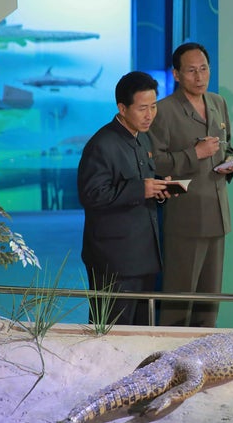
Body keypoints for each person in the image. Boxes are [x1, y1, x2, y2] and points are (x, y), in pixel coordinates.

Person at [148, 42, 233, 328]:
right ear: (176, 74)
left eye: (204, 69)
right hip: (185, 217)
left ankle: (205, 360)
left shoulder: (218, 102)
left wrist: (230, 162)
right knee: (179, 300)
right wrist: (193, 154)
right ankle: (171, 362)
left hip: (217, 214)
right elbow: (154, 163)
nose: (200, 77)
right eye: (191, 71)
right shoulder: (164, 111)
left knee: (209, 302)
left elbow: (228, 147)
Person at [77, 71, 169, 326]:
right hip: (114, 260)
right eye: (142, 108)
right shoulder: (102, 144)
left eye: (153, 107)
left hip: (143, 255)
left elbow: (139, 184)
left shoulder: (142, 138)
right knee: (111, 334)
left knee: (140, 334)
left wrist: (160, 188)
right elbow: (91, 195)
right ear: (122, 108)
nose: (149, 115)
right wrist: (141, 189)